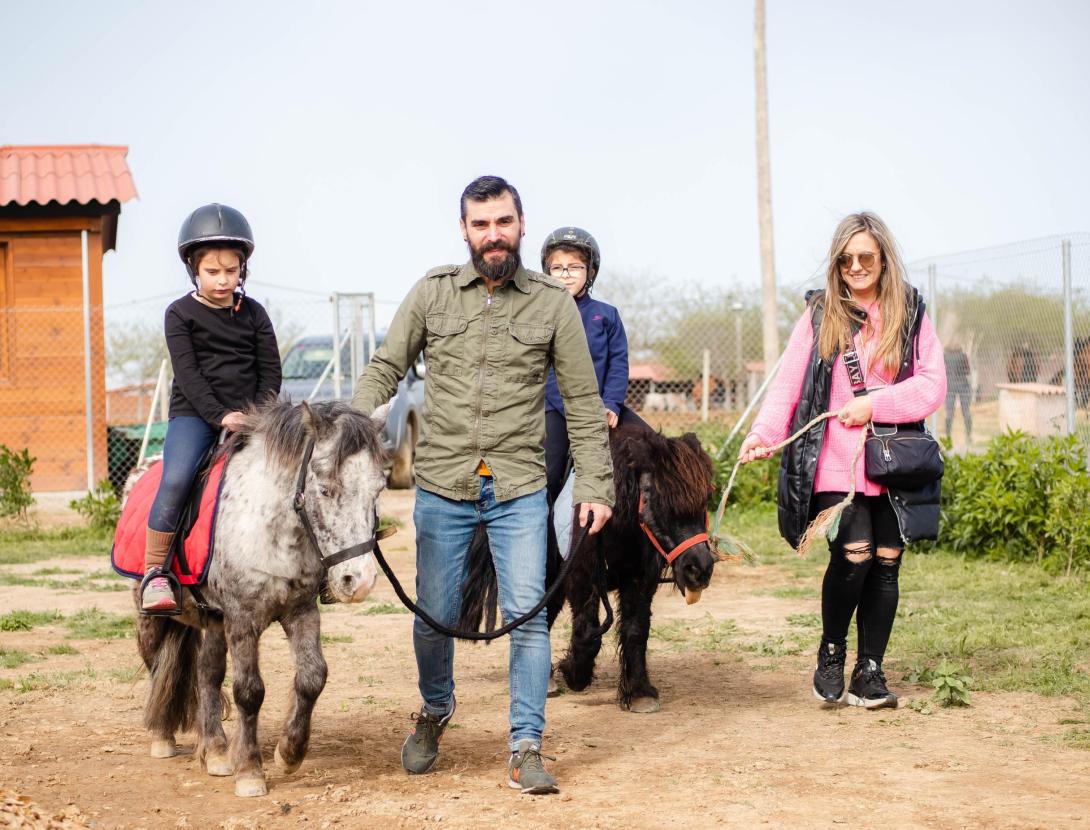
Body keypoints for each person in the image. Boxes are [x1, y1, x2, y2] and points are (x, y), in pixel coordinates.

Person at [351, 176, 614, 795]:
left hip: (520, 486)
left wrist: (595, 485)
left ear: (521, 225)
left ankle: (526, 745)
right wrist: (351, 425)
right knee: (434, 617)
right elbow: (387, 366)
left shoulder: (552, 303)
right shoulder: (433, 293)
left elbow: (581, 399)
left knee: (528, 618)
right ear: (464, 230)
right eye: (480, 224)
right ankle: (435, 710)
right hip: (443, 485)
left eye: (503, 222)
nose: (492, 235)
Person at [738, 212, 945, 710]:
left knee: (887, 561)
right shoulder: (819, 315)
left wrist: (876, 404)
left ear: (883, 259)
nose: (856, 266)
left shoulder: (911, 312)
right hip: (835, 459)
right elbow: (787, 383)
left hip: (895, 460)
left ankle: (869, 671)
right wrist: (763, 434)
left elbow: (932, 385)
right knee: (855, 552)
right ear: (836, 263)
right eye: (845, 258)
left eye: (866, 257)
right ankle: (831, 652)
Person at [139, 204, 282, 615]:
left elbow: (269, 371)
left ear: (242, 271)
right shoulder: (179, 315)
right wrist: (221, 416)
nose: (223, 280)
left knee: (299, 467)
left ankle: (309, 568)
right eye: (213, 272)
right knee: (177, 478)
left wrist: (258, 414)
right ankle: (155, 572)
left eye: (231, 271)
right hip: (196, 414)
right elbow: (189, 375)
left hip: (254, 414)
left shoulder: (255, 314)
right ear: (194, 271)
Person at [539, 227, 649, 506]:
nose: (566, 275)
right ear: (547, 272)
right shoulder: (539, 315)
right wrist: (570, 410)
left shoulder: (606, 315)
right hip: (556, 409)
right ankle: (545, 537)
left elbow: (618, 365)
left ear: (591, 272)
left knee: (653, 451)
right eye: (557, 268)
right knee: (548, 475)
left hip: (602, 407)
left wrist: (611, 403)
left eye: (575, 267)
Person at [943, 344, 972, 442]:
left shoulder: (945, 356)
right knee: (966, 411)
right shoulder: (962, 355)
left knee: (949, 412)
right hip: (962, 384)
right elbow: (968, 371)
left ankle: (948, 436)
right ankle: (968, 436)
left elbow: (943, 370)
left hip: (950, 384)